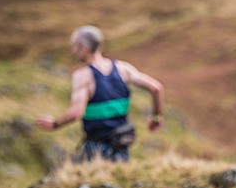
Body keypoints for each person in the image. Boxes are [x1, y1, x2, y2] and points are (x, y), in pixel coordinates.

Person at [37, 25, 164, 162]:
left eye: (74, 46)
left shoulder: (83, 76)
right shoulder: (123, 69)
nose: (73, 51)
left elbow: (76, 113)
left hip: (96, 149)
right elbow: (156, 88)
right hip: (122, 144)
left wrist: (55, 124)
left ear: (83, 48)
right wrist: (156, 117)